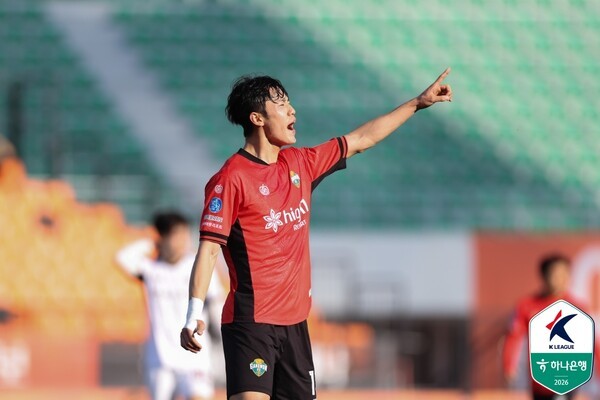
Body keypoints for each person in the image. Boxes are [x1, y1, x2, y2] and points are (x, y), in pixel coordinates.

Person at [180, 69, 453, 400]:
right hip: (252, 324)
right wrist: (193, 314)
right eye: (281, 104)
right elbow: (209, 250)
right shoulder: (231, 179)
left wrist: (417, 103)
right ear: (257, 118)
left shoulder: (300, 164)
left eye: (290, 103)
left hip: (296, 325)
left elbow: (361, 140)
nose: (292, 110)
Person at [117, 211, 224, 400]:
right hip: (160, 358)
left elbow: (216, 303)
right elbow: (122, 258)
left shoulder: (198, 266)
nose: (183, 241)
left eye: (185, 235)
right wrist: (152, 242)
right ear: (163, 238)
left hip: (194, 356)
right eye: (177, 235)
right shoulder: (150, 270)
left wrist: (222, 334)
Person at [502, 254, 585, 400]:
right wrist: (509, 365)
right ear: (544, 276)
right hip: (539, 379)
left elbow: (593, 341)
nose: (561, 279)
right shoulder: (527, 305)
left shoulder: (577, 307)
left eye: (565, 274)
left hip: (566, 375)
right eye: (556, 274)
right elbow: (514, 336)